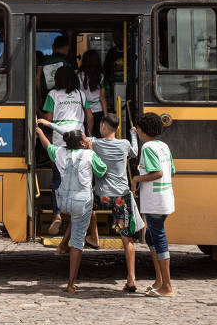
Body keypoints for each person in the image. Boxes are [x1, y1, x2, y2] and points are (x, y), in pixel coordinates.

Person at [40, 113, 140, 292]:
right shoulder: (124, 145)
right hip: (120, 197)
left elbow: (70, 134)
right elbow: (135, 151)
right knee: (127, 238)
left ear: (102, 126)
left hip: (99, 196)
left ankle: (71, 242)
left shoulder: (93, 143)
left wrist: (49, 125)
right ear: (117, 129)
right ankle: (131, 278)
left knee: (80, 213)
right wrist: (132, 133)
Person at [35, 126, 107, 293]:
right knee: (77, 243)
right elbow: (102, 171)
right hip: (81, 202)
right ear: (82, 143)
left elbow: (47, 145)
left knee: (75, 220)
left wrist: (39, 131)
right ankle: (70, 284)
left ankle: (61, 244)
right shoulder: (89, 154)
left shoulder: (59, 152)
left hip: (63, 202)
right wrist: (90, 150)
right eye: (85, 139)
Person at [40, 66, 93, 235]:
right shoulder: (80, 94)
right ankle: (76, 215)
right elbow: (90, 117)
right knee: (80, 177)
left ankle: (57, 215)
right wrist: (87, 135)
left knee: (58, 178)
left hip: (60, 140)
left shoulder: (52, 95)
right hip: (78, 138)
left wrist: (36, 111)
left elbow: (48, 119)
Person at [132, 112, 176, 297]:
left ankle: (167, 286)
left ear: (141, 130)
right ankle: (159, 280)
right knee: (151, 237)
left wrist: (137, 178)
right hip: (165, 197)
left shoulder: (148, 147)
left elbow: (157, 172)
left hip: (155, 200)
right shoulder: (163, 146)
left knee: (158, 238)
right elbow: (171, 171)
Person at [78, 49, 109, 136]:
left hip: (84, 111)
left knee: (87, 136)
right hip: (99, 110)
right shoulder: (101, 76)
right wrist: (106, 115)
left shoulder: (79, 75)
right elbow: (102, 97)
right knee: (99, 137)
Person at [36, 35, 72, 107]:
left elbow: (37, 79)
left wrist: (39, 97)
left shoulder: (44, 61)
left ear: (53, 47)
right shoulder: (68, 63)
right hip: (64, 98)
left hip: (46, 96)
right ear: (67, 47)